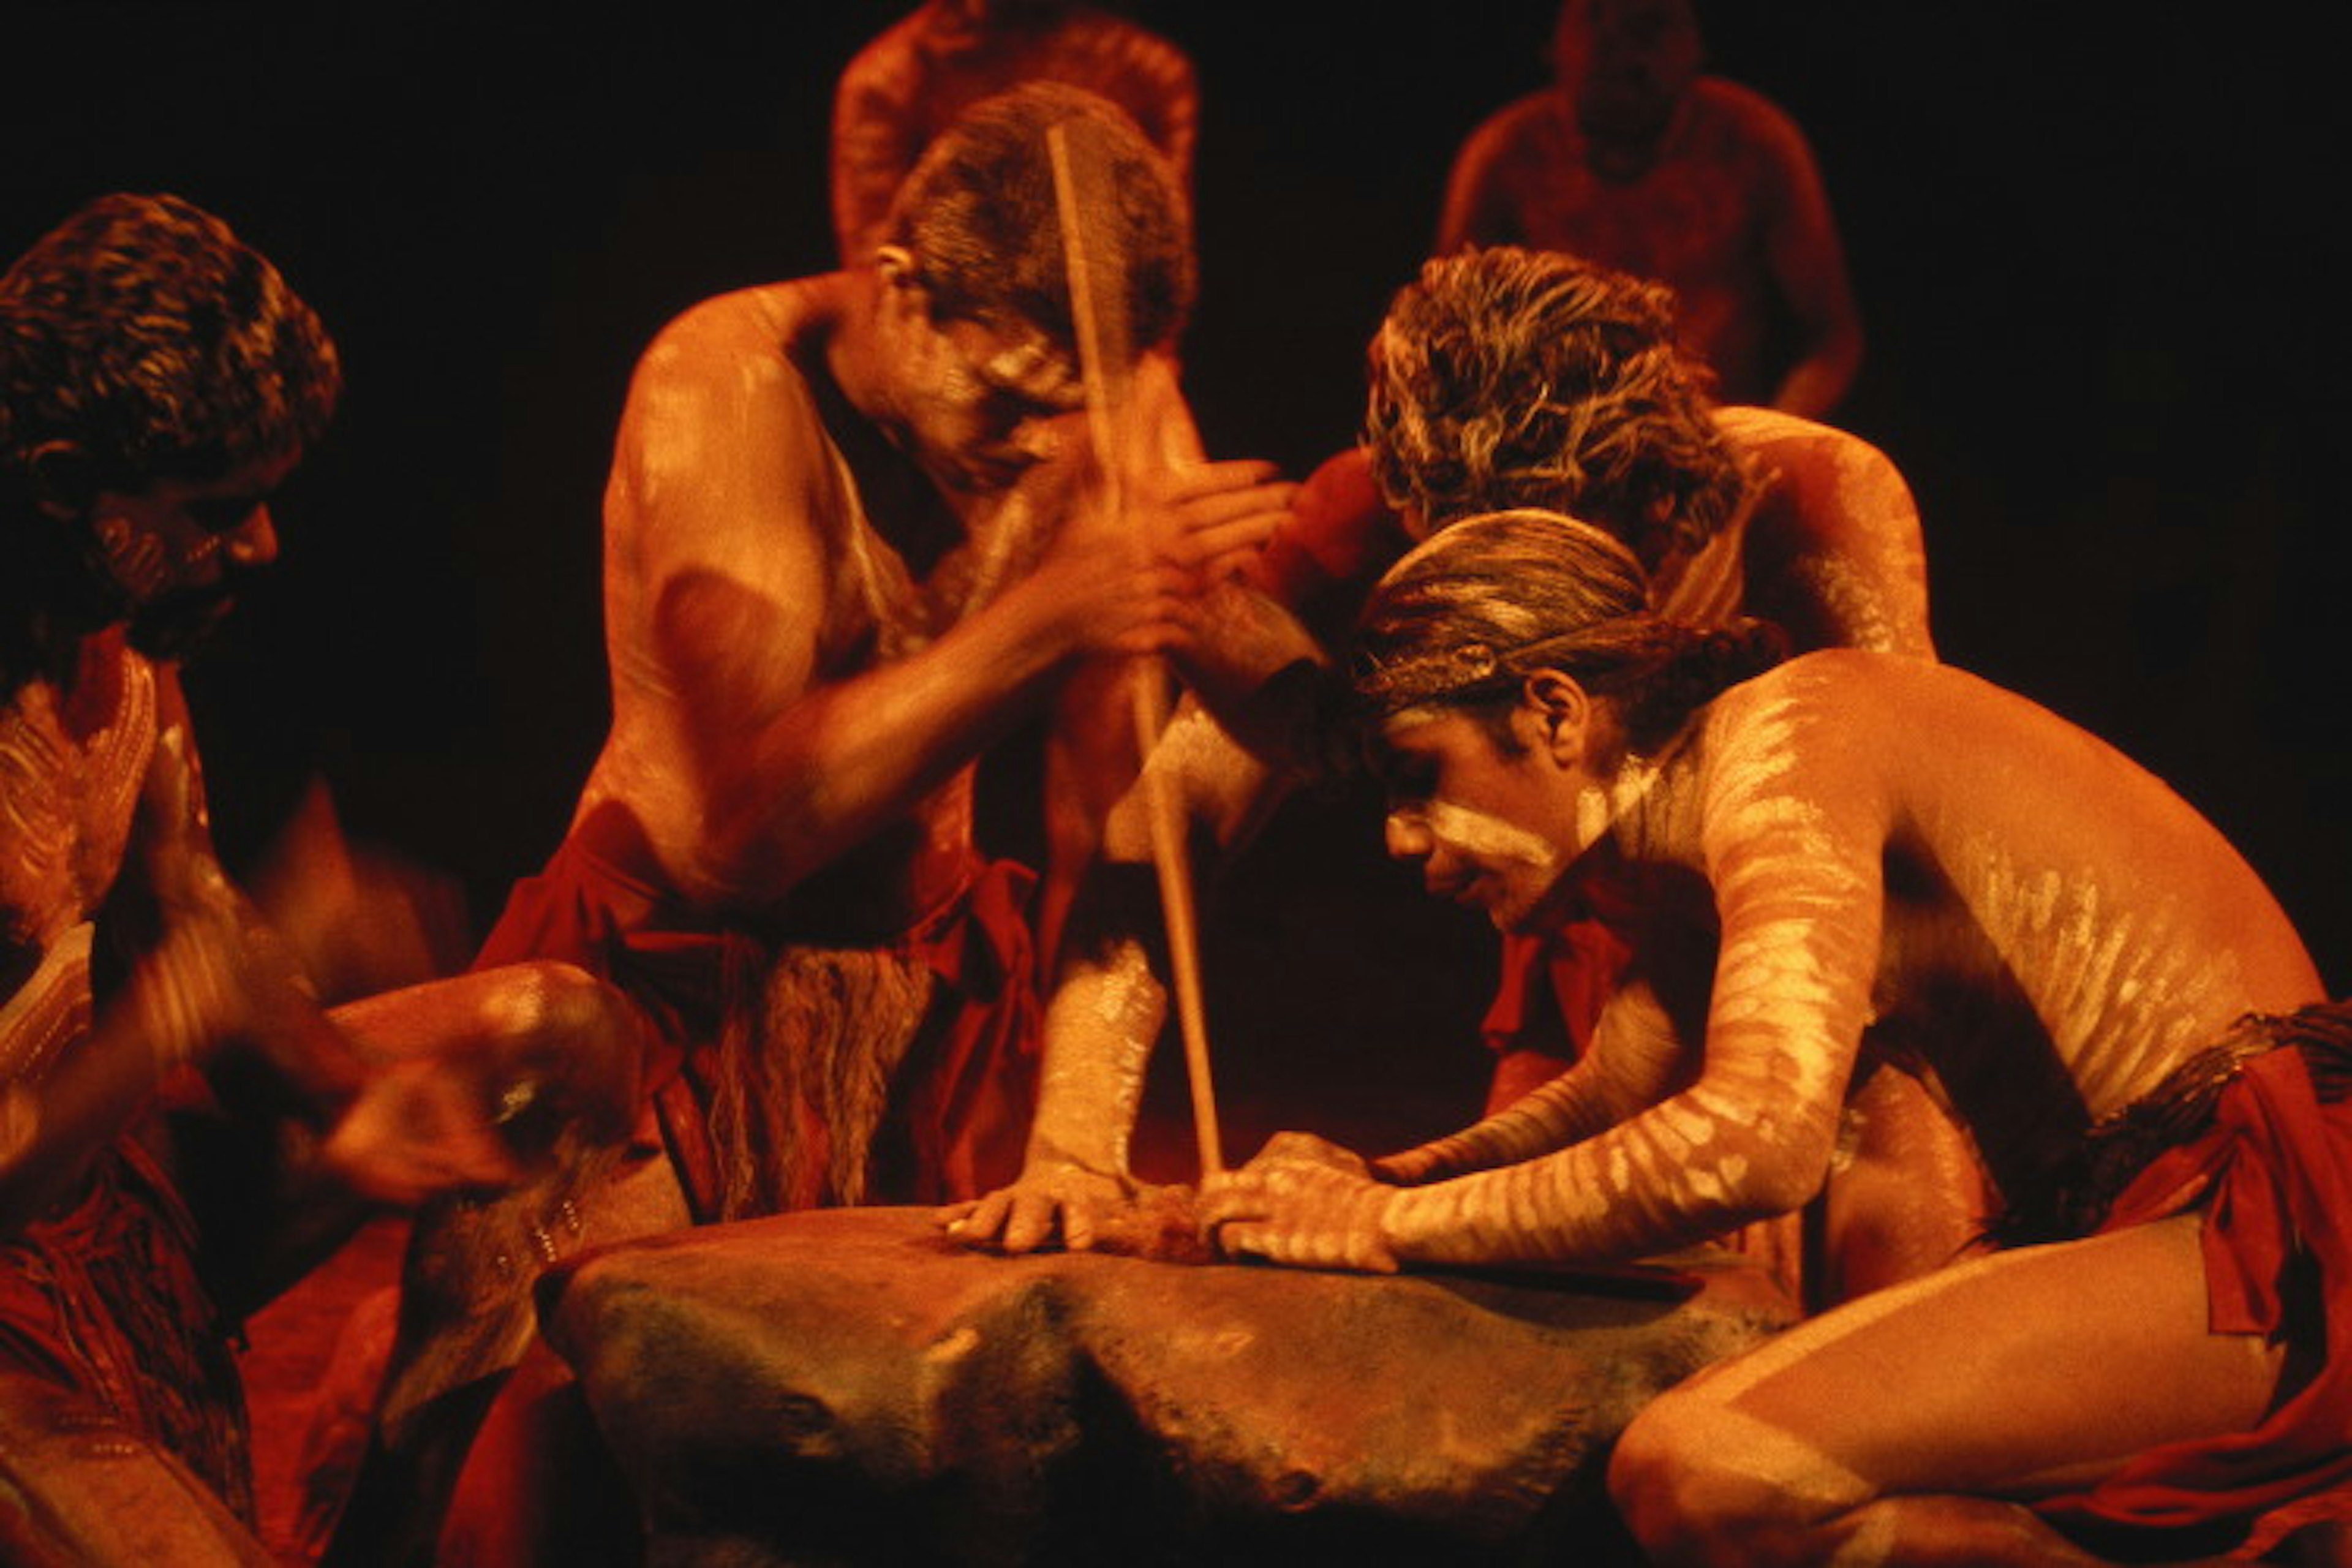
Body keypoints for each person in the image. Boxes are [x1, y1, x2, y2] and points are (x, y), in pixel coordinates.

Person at [331, 83, 1297, 1566]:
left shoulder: (1098, 393)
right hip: (658, 990)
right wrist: (1052, 611)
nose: (1044, 452)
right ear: (905, 295)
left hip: (906, 1005)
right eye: (1010, 399)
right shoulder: (722, 382)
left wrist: (1363, 666)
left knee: (829, 1468)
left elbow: (1227, 680)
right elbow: (743, 833)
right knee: (517, 1439)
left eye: (1076, 416)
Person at [1196, 508, 2345, 1565]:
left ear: (1554, 711)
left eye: (1418, 775)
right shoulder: (1686, 837)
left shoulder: (1794, 739)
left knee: (1704, 1472)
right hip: (2178, 1223)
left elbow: (1755, 1139)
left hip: (2282, 1221)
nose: (1403, 842)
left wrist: (1388, 1224)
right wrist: (1365, 1182)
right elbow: (1625, 1094)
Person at [952, 245, 1973, 1312]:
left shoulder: (1809, 499)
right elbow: (1177, 808)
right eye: (1464, 558)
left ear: (1644, 490)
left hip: (1831, 962)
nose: (1496, 588)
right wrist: (1074, 1146)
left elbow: (1916, 884)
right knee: (1509, 1321)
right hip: (1613, 969)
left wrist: (1756, 1097)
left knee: (1894, 1181)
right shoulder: (1365, 513)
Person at [0, 192, 637, 1562]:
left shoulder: (118, 629)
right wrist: (175, 1011)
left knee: (551, 1041)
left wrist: (357, 1098)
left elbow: (189, 894)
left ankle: (384, 1536)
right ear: (62, 480)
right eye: (217, 509)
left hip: (103, 1204)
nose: (263, 544)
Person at [1435, 0, 1863, 418]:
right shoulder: (1506, 156)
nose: (1625, 50)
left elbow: (1830, 340)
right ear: (1552, 43)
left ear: (1697, 43)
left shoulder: (1755, 145)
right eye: (1598, 20)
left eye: (1651, 24)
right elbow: (1445, 336)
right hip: (1552, 455)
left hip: (1719, 436)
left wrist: (1766, 444)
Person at [831, 0, 1197, 268]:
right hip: (949, 343)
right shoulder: (886, 82)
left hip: (1107, 346)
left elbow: (1163, 260)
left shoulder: (1150, 74)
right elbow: (876, 269)